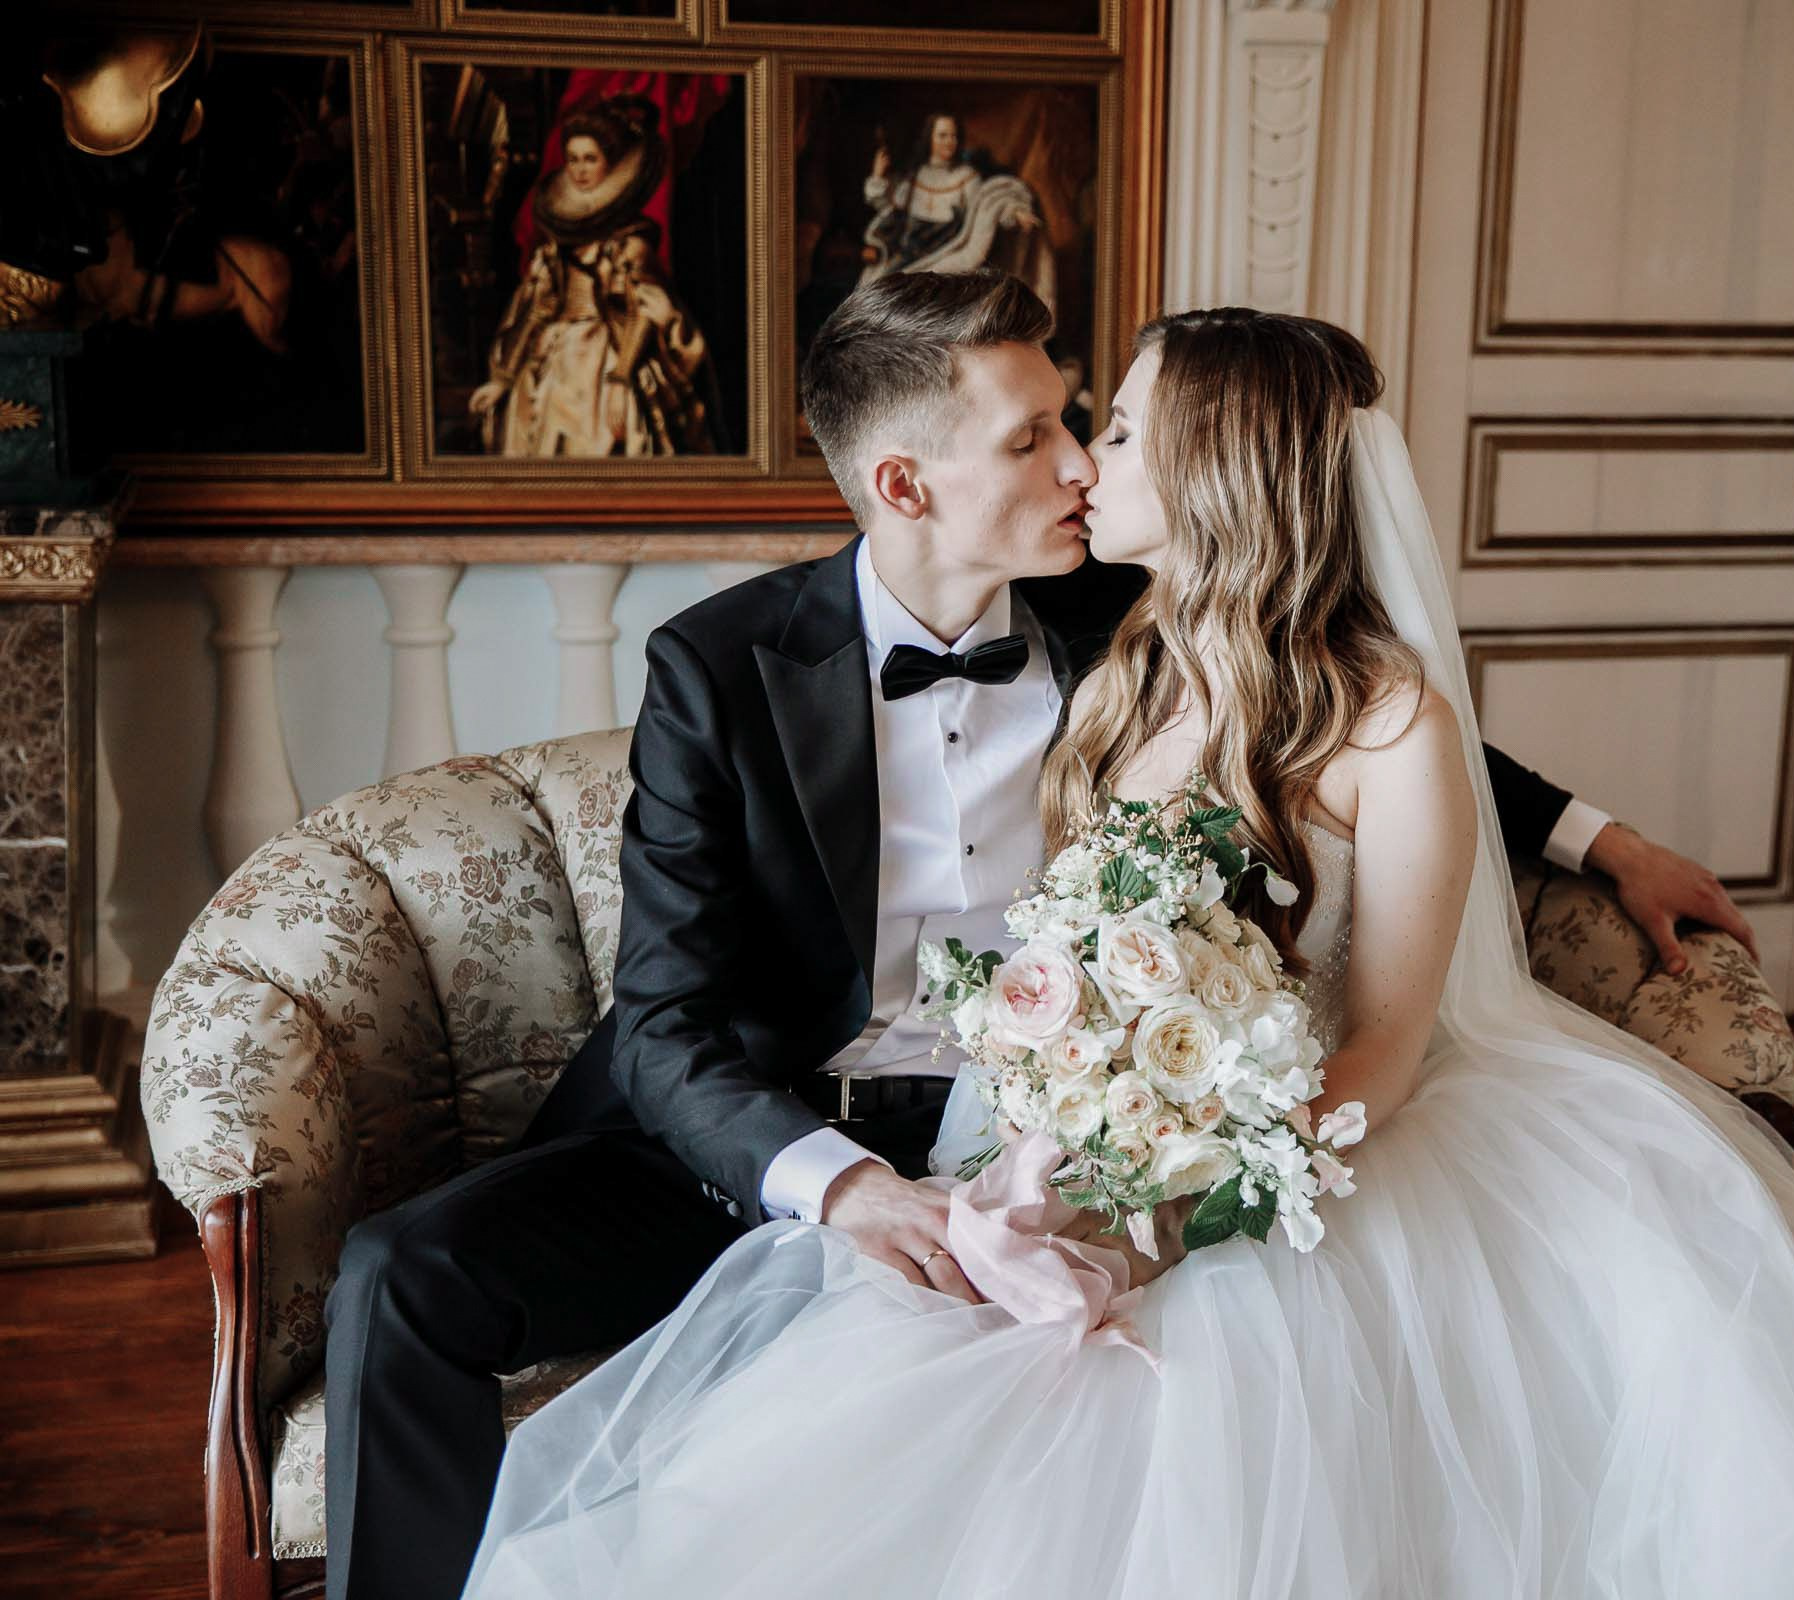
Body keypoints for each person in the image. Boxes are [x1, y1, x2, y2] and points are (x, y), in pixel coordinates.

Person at [454, 297, 1794, 1597]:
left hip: (1322, 1145)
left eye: (1122, 429)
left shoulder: (1377, 712)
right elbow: (1062, 965)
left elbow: (1385, 1030)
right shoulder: (1125, 648)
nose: (1091, 465)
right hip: (1082, 1127)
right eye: (1063, 435)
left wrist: (1198, 1187)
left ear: (1218, 466)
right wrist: (1043, 1159)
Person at [321, 271, 1705, 1600]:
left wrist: (1607, 841)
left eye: (1087, 422)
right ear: (905, 486)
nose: (1081, 467)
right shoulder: (720, 668)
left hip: (1057, 1132)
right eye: (1036, 436)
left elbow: (1352, 701)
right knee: (403, 1275)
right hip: (784, 1138)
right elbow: (666, 1022)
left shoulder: (1133, 613)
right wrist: (847, 1193)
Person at [469, 94, 716, 456]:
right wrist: (503, 381)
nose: (580, 170)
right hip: (551, 357)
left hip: (606, 362)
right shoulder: (555, 246)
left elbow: (643, 313)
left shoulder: (628, 244)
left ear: (610, 165)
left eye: (590, 159)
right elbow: (536, 308)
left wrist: (621, 378)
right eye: (572, 160)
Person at [857, 111, 1055, 307]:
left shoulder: (967, 178)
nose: (949, 141)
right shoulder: (915, 177)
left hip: (946, 259)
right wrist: (878, 176)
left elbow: (986, 206)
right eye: (942, 135)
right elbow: (886, 208)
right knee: (875, 291)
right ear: (930, 139)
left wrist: (1015, 213)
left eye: (953, 136)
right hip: (908, 259)